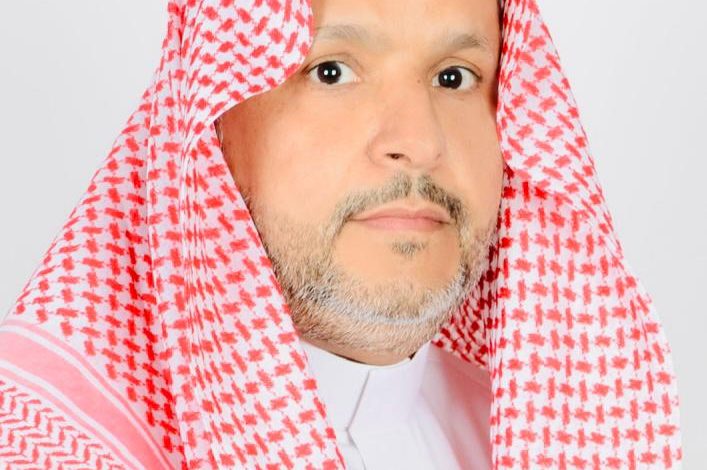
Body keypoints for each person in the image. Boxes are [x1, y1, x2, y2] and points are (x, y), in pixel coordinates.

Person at [0, 0, 682, 468]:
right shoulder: (50, 446)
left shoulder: (545, 434)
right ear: (208, 125)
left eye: (454, 78)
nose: (419, 142)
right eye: (332, 72)